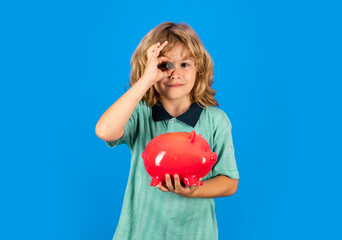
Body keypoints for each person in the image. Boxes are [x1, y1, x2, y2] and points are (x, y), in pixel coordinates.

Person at [95, 21, 239, 240]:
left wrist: (194, 191)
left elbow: (229, 182)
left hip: (195, 234)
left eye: (185, 65)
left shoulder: (216, 121)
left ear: (199, 68)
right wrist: (146, 81)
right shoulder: (140, 114)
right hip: (140, 232)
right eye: (165, 65)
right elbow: (105, 131)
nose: (174, 74)